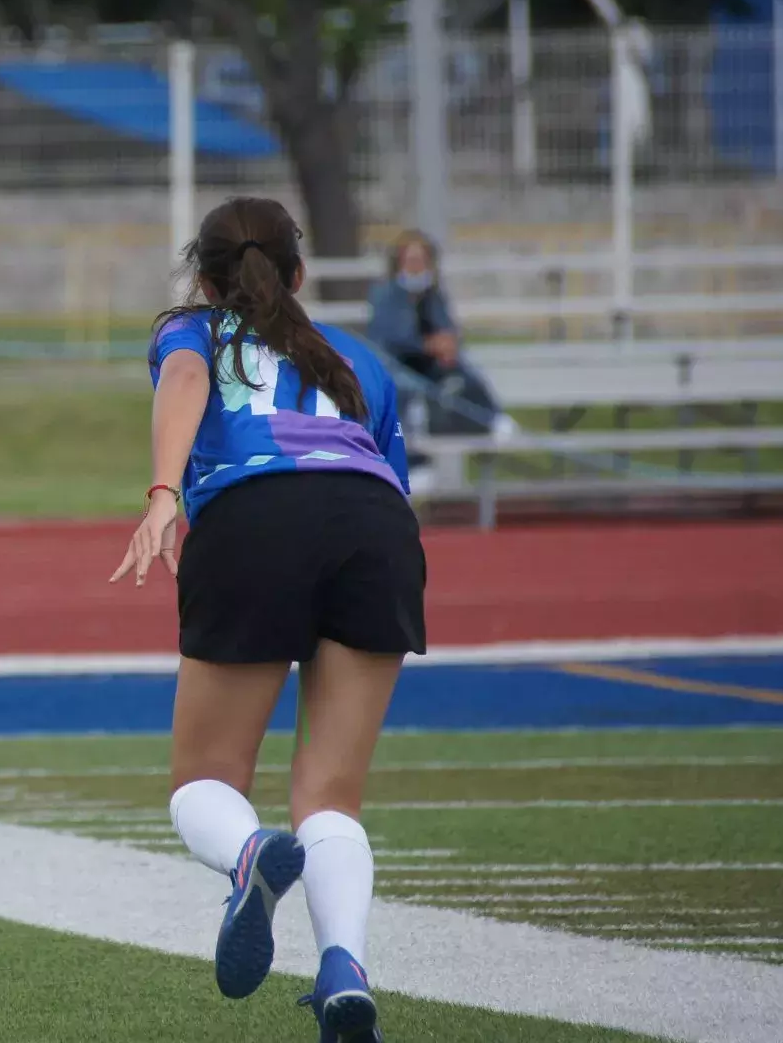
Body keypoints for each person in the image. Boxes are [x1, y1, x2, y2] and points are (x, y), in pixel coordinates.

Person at [111, 197, 423, 1043]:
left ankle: (250, 857)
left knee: (204, 782)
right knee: (332, 797)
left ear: (205, 281)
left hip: (253, 517)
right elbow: (392, 482)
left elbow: (185, 378)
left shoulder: (195, 330)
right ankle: (344, 969)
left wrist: (165, 492)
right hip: (376, 530)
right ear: (299, 273)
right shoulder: (357, 357)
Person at [365, 230, 515, 444]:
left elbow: (447, 327)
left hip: (431, 363)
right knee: (409, 387)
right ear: (398, 263)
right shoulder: (385, 294)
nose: (416, 267)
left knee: (466, 370)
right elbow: (394, 338)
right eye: (411, 260)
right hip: (397, 363)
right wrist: (430, 345)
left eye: (421, 261)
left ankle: (494, 418)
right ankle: (416, 454)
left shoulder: (433, 294)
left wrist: (448, 345)